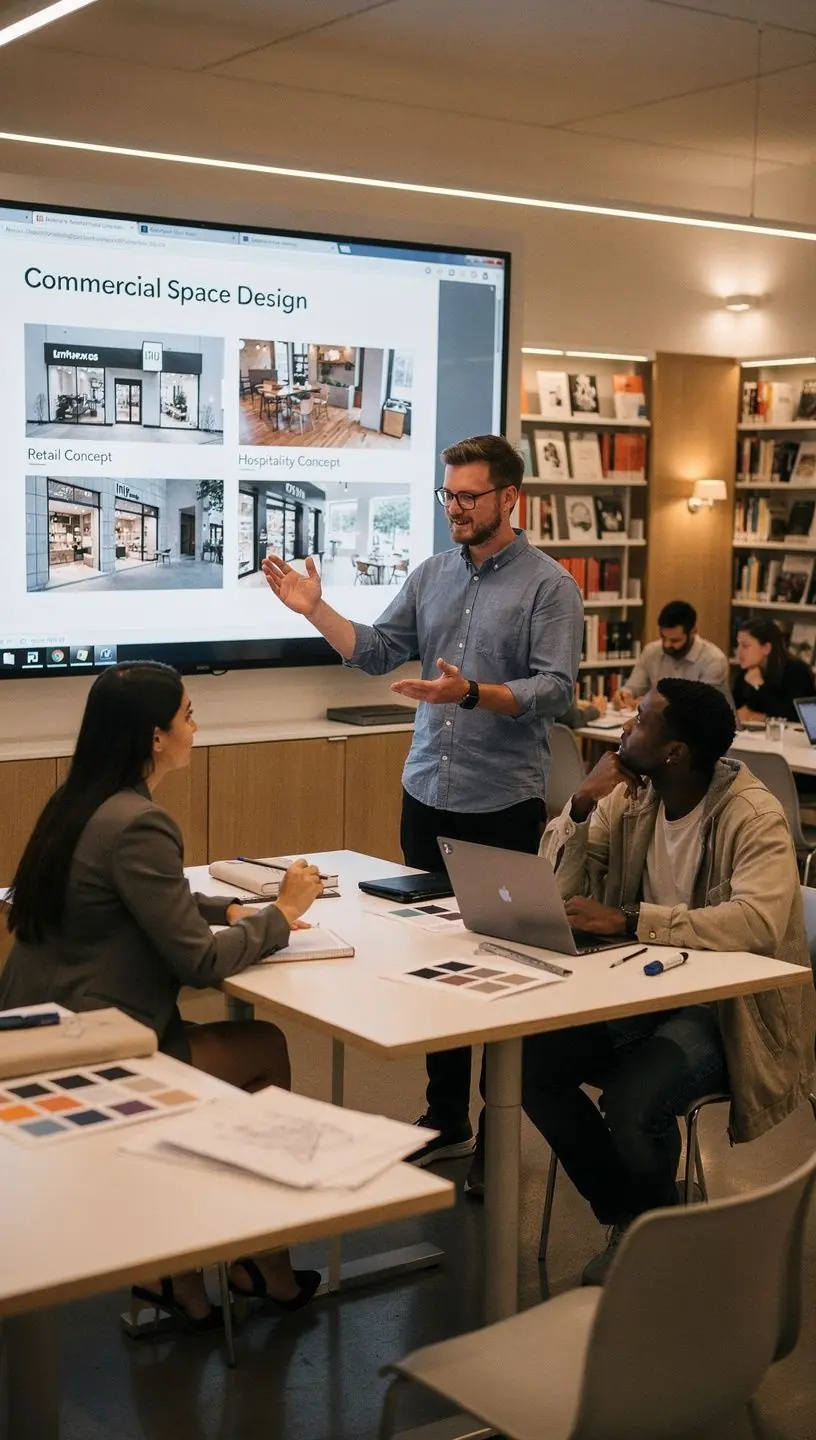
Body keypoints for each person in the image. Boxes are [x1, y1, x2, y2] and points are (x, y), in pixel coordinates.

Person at [262, 433, 583, 1195]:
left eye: (469, 496)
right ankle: (447, 1118)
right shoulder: (432, 574)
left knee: (503, 967)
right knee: (435, 963)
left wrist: (472, 692)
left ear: (510, 498)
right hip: (426, 795)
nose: (456, 510)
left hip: (500, 801)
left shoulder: (549, 587)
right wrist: (317, 611)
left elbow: (557, 691)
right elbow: (376, 652)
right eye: (449, 496)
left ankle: (498, 1133)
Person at [0, 661, 324, 1330]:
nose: (195, 727)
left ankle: (185, 1268)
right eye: (189, 715)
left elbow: (139, 896)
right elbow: (200, 964)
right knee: (263, 1046)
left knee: (244, 1046)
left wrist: (224, 908)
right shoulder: (141, 823)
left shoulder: (80, 801)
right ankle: (254, 1256)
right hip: (94, 1050)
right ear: (156, 737)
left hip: (35, 1028)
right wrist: (281, 915)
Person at [522, 678, 816, 1285]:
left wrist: (632, 919)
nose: (625, 727)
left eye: (642, 721)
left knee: (634, 1101)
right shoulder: (633, 799)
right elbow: (558, 890)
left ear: (674, 752)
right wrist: (579, 805)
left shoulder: (753, 815)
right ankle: (641, 1216)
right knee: (530, 1066)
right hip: (639, 991)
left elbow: (758, 923)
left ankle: (647, 1237)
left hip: (727, 1012)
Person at [614, 600, 730, 707]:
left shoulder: (714, 660)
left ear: (693, 632)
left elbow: (701, 705)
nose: (667, 645)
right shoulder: (651, 651)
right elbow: (633, 688)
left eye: (675, 640)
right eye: (663, 638)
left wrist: (650, 703)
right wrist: (623, 696)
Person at [733, 616, 816, 722]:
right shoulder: (746, 671)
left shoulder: (796, 671)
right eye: (738, 645)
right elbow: (737, 709)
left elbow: (794, 716)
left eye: (745, 646)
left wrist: (759, 686)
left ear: (766, 648)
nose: (738, 651)